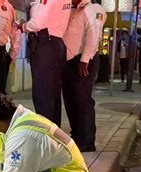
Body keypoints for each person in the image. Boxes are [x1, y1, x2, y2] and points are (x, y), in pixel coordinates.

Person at [61, 0, 107, 152]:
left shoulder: (93, 9)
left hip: (83, 61)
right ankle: (77, 137)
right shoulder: (71, 10)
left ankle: (87, 141)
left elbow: (94, 35)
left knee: (82, 100)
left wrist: (84, 60)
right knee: (70, 101)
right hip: (68, 62)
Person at [18, 0, 72, 126]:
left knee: (43, 94)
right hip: (56, 43)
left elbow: (37, 23)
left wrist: (24, 26)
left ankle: (45, 134)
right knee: (53, 94)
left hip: (45, 45)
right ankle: (53, 135)